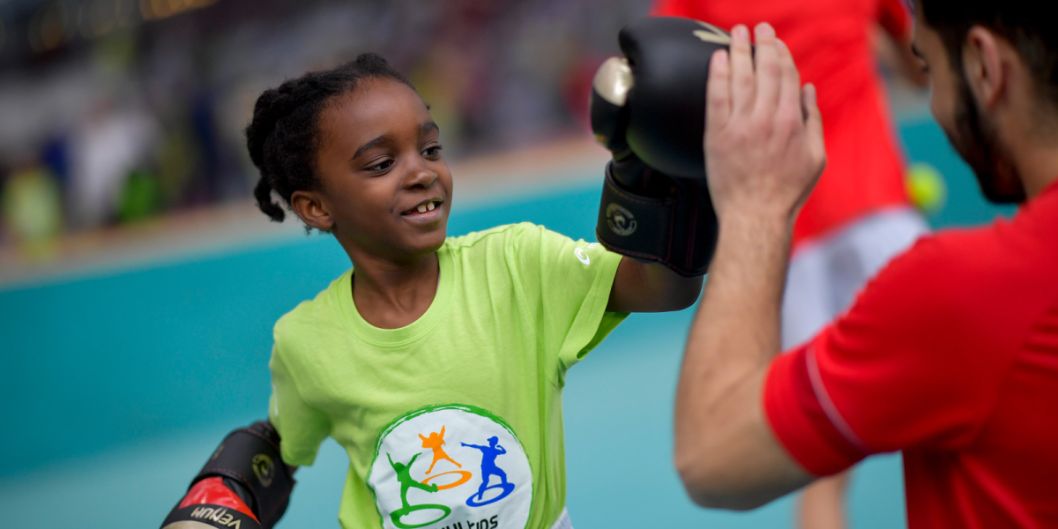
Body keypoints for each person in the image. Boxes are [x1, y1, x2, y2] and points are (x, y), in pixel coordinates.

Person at [162, 53, 703, 529]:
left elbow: (666, 287)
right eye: (381, 163)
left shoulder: (517, 266)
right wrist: (215, 498)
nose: (421, 172)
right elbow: (280, 448)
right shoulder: (305, 342)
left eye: (431, 148)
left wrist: (654, 174)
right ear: (315, 207)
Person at [673, 3, 1058, 526]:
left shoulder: (955, 291)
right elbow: (909, 69)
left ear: (985, 67)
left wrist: (752, 206)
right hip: (878, 204)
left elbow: (713, 453)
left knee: (820, 476)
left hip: (797, 233)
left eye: (935, 61)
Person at [650, 1, 929, 525]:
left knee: (822, 468)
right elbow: (921, 73)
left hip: (786, 233)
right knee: (951, 402)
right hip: (880, 209)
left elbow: (665, 83)